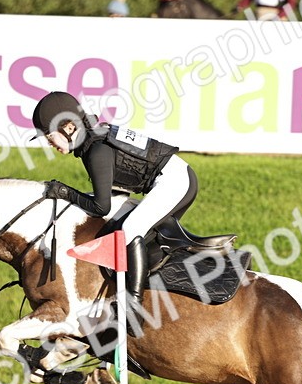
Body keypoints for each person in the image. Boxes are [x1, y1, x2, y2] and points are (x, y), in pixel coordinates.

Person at [31, 91, 198, 309]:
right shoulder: (93, 141)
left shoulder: (96, 151)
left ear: (69, 128)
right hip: (176, 177)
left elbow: (101, 207)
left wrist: (65, 192)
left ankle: (133, 304)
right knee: (138, 233)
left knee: (130, 229)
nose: (49, 143)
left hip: (175, 182)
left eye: (49, 137)